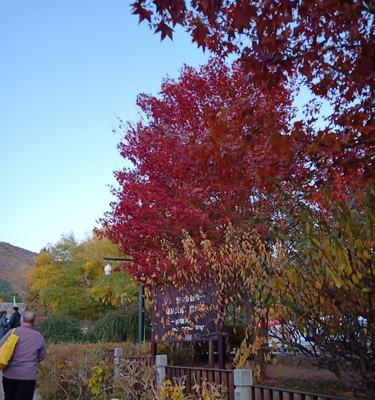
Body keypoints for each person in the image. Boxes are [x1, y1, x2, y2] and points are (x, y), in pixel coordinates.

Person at [0, 311, 47, 400]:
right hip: (28, 376)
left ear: (21, 321)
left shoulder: (13, 332)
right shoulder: (38, 336)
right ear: (34, 322)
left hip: (9, 375)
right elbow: (42, 357)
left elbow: (1, 346)